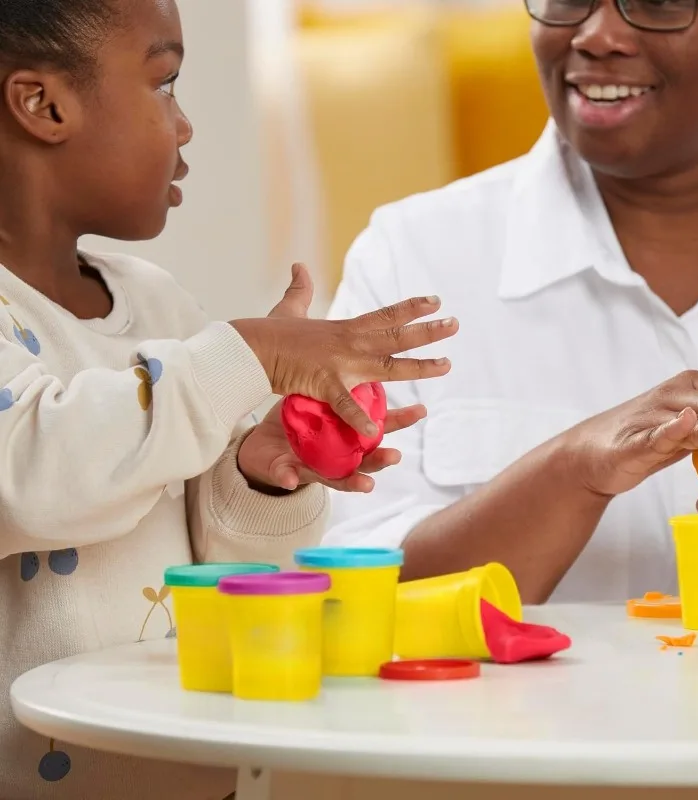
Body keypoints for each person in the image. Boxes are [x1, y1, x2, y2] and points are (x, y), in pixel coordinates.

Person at [0, 0, 458, 797]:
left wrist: (255, 473)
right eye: (165, 85)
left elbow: (239, 580)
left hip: (193, 773)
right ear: (45, 105)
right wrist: (253, 352)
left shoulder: (161, 305)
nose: (184, 128)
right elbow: (34, 476)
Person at [324, 0, 698, 603]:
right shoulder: (412, 259)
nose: (597, 35)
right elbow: (352, 593)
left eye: (657, 2)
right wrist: (573, 470)